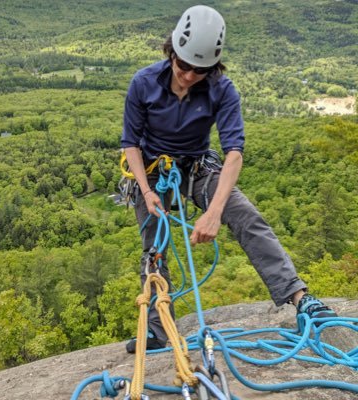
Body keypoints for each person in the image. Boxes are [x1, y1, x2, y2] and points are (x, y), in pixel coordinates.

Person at [120, 5, 337, 353]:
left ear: (213, 66)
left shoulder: (223, 89)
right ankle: (160, 331)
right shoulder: (143, 83)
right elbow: (130, 142)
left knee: (245, 214)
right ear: (172, 52)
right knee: (154, 246)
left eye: (200, 70)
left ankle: (301, 298)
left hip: (197, 168)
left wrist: (215, 211)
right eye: (184, 65)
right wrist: (146, 192)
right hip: (151, 173)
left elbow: (234, 152)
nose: (190, 75)